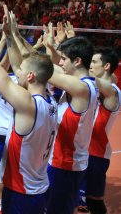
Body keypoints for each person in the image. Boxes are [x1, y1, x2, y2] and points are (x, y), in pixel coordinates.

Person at [0, 0, 57, 213]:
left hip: (22, 193)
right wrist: (11, 36)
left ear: (30, 76)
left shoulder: (28, 104)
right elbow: (14, 63)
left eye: (20, 70)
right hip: (39, 186)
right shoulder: (51, 101)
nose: (16, 71)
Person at [44, 32, 99, 213]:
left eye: (64, 58)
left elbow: (44, 69)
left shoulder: (80, 87)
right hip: (68, 163)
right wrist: (51, 48)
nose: (61, 62)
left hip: (65, 164)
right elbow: (54, 67)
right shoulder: (84, 83)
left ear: (77, 61)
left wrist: (14, 38)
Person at [82, 47, 120, 214]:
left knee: (94, 202)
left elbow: (107, 80)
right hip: (82, 150)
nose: (90, 65)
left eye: (94, 62)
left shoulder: (113, 92)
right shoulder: (92, 88)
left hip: (96, 154)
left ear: (106, 66)